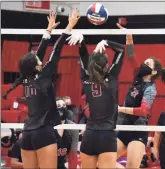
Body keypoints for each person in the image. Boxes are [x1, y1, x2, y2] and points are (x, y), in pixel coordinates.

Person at [2, 10, 80, 169]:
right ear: (36, 65)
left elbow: (40, 53)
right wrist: (69, 27)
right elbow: (56, 49)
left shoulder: (25, 78)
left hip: (27, 134)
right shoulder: (44, 75)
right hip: (44, 132)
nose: (40, 59)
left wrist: (48, 30)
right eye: (38, 60)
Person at [116, 23, 165, 168]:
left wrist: (120, 109)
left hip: (137, 130)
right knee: (103, 161)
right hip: (123, 127)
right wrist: (129, 35)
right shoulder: (137, 75)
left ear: (153, 72)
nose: (143, 64)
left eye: (147, 63)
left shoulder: (151, 88)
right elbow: (130, 55)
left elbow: (143, 111)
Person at [66, 29, 127, 168]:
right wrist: (106, 42)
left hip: (90, 135)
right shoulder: (111, 78)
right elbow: (121, 50)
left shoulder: (86, 77)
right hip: (107, 136)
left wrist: (81, 42)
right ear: (107, 65)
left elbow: (83, 56)